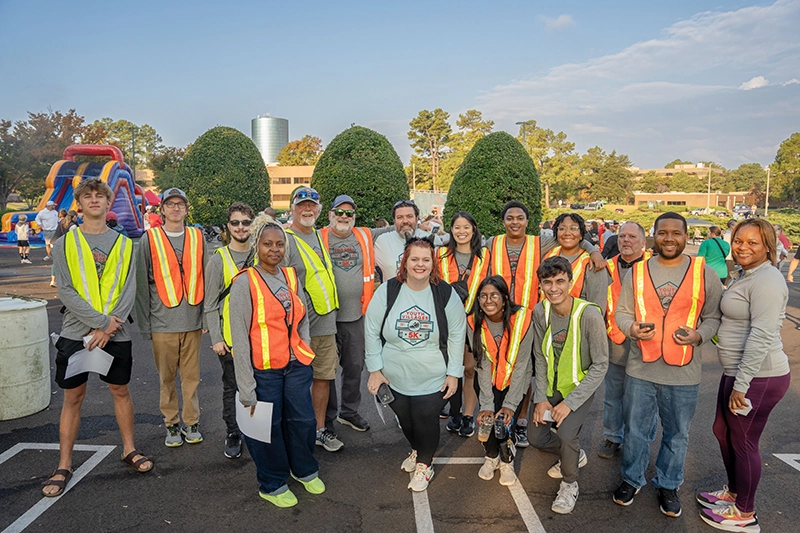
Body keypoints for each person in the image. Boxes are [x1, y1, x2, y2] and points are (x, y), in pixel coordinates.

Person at [42, 178, 152, 497]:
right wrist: (100, 323)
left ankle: (128, 448)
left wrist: (108, 328)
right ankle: (64, 463)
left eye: (100, 196)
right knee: (73, 397)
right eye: (88, 196)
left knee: (120, 390)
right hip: (77, 332)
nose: (94, 200)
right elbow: (66, 290)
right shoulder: (65, 244)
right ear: (80, 204)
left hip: (115, 333)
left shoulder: (125, 243)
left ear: (107, 203)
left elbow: (129, 289)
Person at [613, 212, 723, 518]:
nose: (669, 238)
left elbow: (714, 316)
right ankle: (631, 479)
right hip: (641, 368)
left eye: (676, 233)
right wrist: (631, 328)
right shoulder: (636, 272)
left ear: (686, 237)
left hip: (684, 372)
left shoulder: (704, 273)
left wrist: (700, 335)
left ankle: (668, 484)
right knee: (635, 430)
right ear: (654, 236)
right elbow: (621, 312)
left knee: (676, 434)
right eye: (663, 233)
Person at [698, 220, 791, 533]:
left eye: (753, 242)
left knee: (744, 442)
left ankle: (745, 514)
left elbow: (762, 335)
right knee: (722, 431)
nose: (743, 247)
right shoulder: (746, 275)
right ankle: (735, 493)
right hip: (737, 372)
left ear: (768, 246)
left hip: (758, 377)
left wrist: (742, 385)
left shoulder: (768, 280)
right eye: (738, 241)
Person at [486, 201, 604, 447]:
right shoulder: (492, 244)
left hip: (531, 319)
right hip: (501, 317)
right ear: (503, 221)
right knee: (500, 369)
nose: (515, 222)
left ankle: (520, 421)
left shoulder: (539, 243)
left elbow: (572, 237)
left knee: (528, 371)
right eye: (510, 218)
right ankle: (497, 416)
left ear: (529, 222)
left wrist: (593, 249)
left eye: (520, 217)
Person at [229, 215, 324, 508]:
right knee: (266, 429)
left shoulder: (292, 276)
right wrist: (246, 385)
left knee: (303, 421)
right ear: (256, 245)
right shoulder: (244, 283)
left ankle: (303, 468)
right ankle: (272, 483)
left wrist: (304, 346)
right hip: (265, 370)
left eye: (279, 244)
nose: (274, 249)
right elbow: (240, 338)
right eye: (267, 243)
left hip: (295, 367)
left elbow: (303, 315)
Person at [365, 237, 466, 492]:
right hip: (394, 375)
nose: (420, 264)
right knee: (405, 419)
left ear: (433, 263)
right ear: (404, 263)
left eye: (425, 259)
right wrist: (375, 370)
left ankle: (425, 463)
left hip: (433, 374)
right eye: (414, 259)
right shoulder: (387, 291)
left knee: (425, 418)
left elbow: (457, 334)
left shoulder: (445, 293)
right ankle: (416, 449)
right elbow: (371, 330)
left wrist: (454, 373)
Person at [529, 256, 608, 514]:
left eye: (560, 281)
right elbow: (540, 356)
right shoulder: (540, 311)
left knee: (565, 434)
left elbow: (600, 365)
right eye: (547, 282)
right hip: (551, 387)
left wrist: (570, 403)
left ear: (571, 282)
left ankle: (570, 482)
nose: (554, 288)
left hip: (578, 389)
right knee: (535, 437)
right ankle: (573, 453)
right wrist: (541, 397)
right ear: (540, 284)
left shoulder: (589, 314)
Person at [135, 187, 207, 447]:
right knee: (166, 378)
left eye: (180, 204)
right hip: (162, 323)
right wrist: (145, 325)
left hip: (192, 322)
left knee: (191, 378)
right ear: (162, 209)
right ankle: (171, 423)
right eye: (170, 204)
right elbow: (141, 285)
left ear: (187, 209)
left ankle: (191, 422)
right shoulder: (149, 239)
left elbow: (206, 280)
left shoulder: (198, 237)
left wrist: (207, 320)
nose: (176, 208)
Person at [318, 195, 390, 435]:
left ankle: (348, 412)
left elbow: (388, 229)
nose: (344, 217)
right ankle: (326, 418)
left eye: (349, 213)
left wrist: (411, 224)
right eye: (339, 212)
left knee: (354, 366)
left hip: (356, 315)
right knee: (326, 370)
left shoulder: (363, 235)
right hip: (325, 318)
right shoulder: (318, 237)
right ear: (330, 215)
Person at [282, 187, 342, 452]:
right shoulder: (285, 240)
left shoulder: (321, 235)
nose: (307, 209)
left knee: (323, 377)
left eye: (312, 206)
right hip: (298, 327)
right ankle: (296, 430)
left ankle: (319, 430)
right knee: (295, 381)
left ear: (319, 209)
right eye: (302, 205)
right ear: (293, 208)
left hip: (326, 323)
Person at [203, 202, 256, 459]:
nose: (240, 227)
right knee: (232, 387)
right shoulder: (218, 260)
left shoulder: (261, 255)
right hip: (230, 339)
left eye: (245, 222)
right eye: (235, 222)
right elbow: (210, 304)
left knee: (260, 384)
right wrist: (216, 338)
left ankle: (256, 428)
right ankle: (233, 431)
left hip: (259, 336)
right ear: (228, 226)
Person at [470, 276, 533, 486]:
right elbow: (482, 364)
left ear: (505, 299)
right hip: (487, 380)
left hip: (515, 381)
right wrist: (487, 404)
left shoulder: (523, 320)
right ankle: (491, 457)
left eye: (494, 295)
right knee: (487, 422)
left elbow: (523, 365)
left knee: (506, 424)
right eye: (483, 296)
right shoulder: (474, 322)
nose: (489, 300)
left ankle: (507, 461)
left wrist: (510, 404)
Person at [598, 221, 650, 459]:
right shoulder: (607, 267)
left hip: (646, 341)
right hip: (616, 340)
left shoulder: (653, 267)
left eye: (631, 236)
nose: (626, 241)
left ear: (643, 242)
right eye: (622, 237)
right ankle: (612, 436)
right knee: (613, 395)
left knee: (640, 398)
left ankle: (635, 439)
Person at [438, 211, 490, 437]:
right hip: (447, 321)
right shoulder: (440, 254)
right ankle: (454, 412)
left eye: (466, 227)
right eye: (457, 227)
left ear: (474, 229)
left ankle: (468, 414)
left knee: (470, 369)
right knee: (450, 369)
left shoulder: (485, 256)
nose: (461, 231)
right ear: (451, 230)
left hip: (474, 320)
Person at [544, 212, 610, 312]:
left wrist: (594, 251)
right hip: (544, 324)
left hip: (578, 325)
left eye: (573, 228)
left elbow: (597, 309)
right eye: (562, 228)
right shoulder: (546, 255)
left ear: (581, 234)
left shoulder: (593, 264)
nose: (567, 233)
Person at [373, 199, 443, 281]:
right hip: (393, 292)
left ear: (417, 219)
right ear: (394, 221)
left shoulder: (432, 239)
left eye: (409, 216)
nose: (405, 221)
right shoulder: (382, 242)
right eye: (400, 217)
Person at [50, 210, 79, 287]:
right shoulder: (73, 226)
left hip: (54, 243)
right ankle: (66, 281)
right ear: (74, 217)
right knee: (67, 263)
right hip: (63, 245)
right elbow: (73, 238)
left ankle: (53, 280)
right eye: (77, 217)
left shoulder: (62, 222)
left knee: (56, 263)